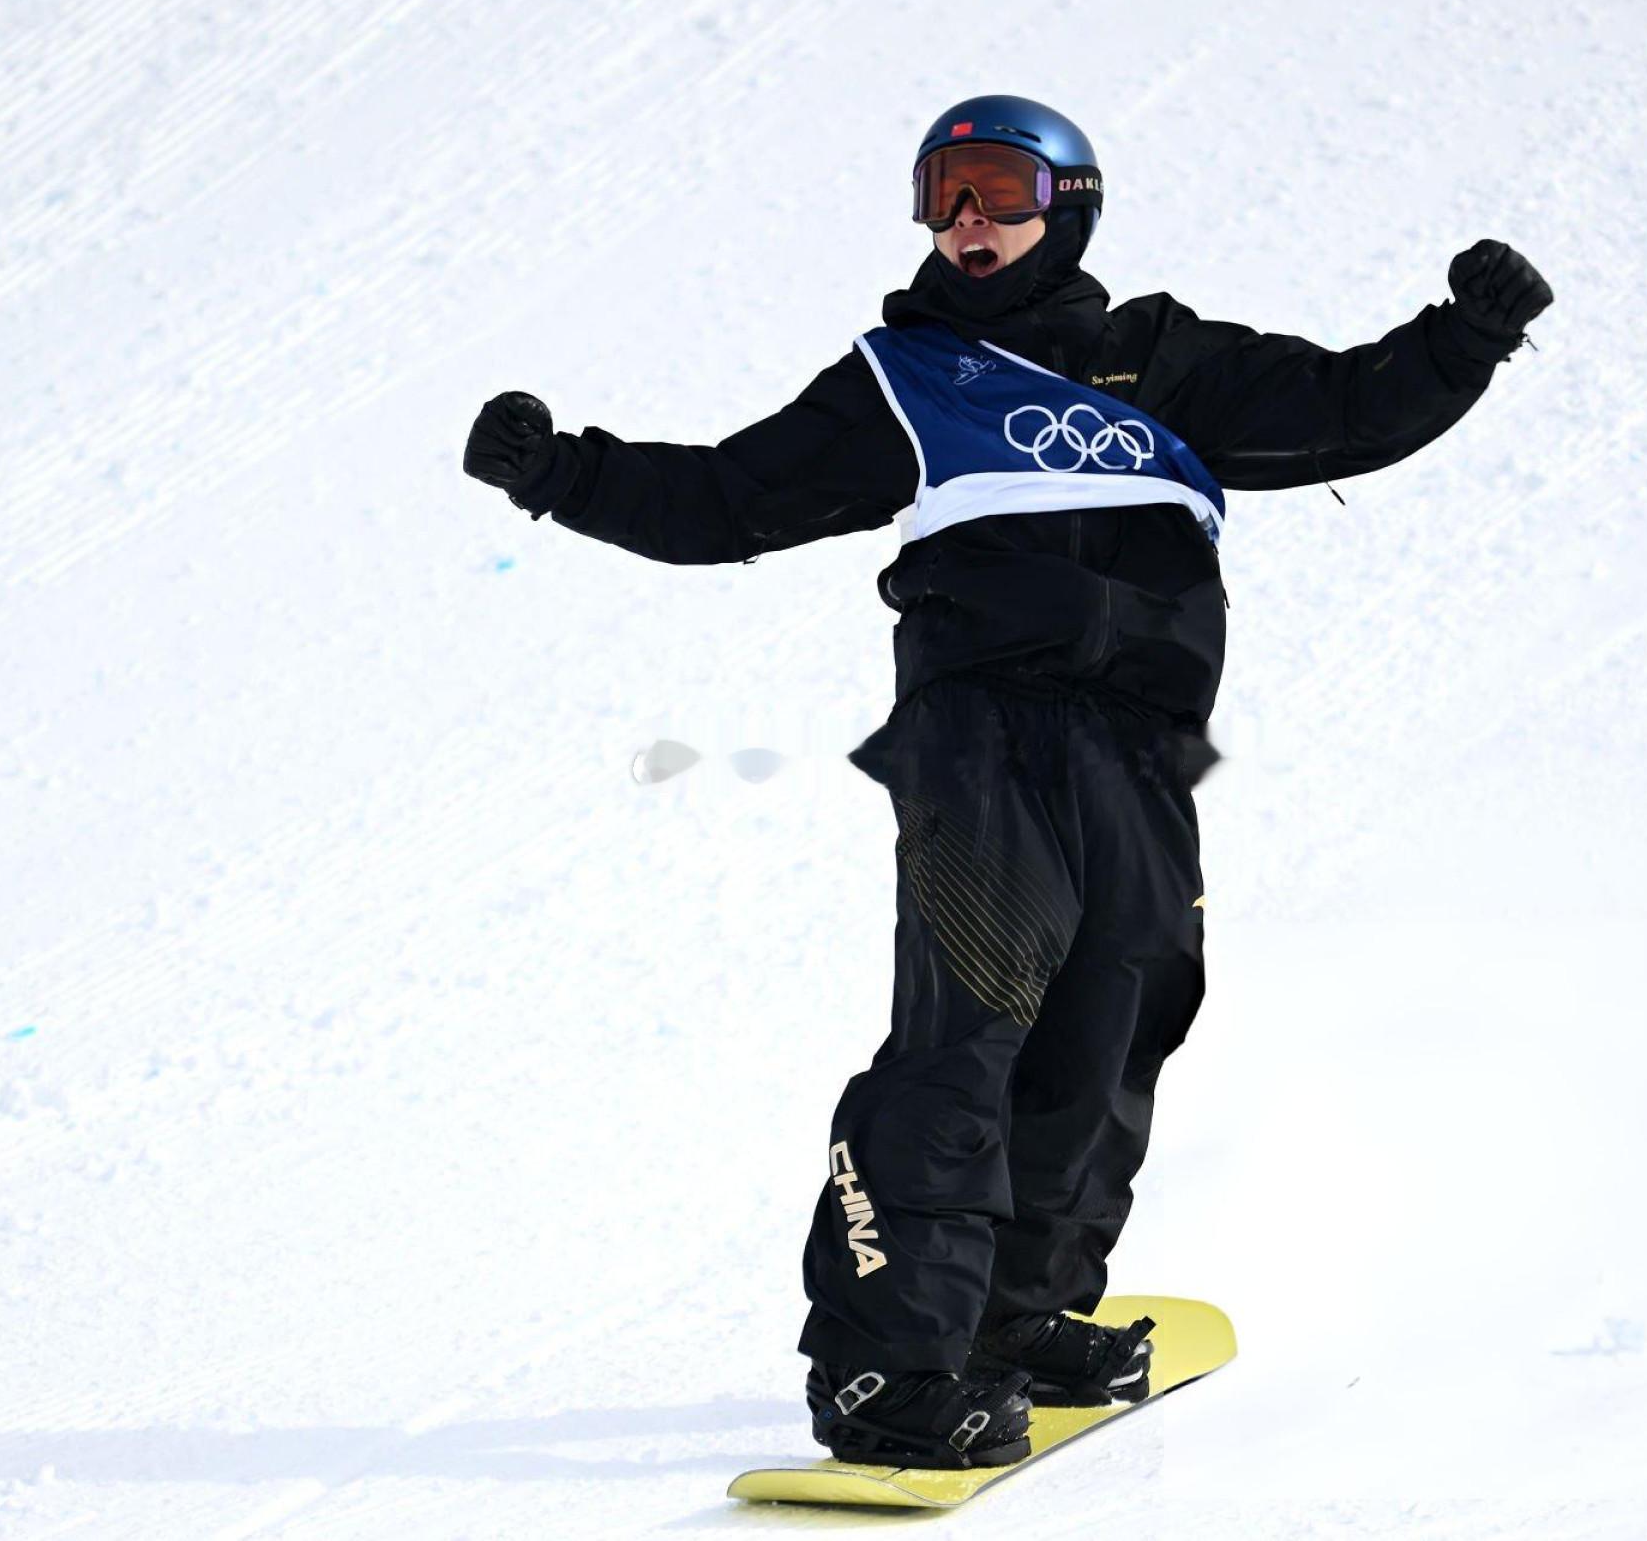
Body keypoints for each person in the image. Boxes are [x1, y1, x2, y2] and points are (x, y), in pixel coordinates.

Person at [463, 94, 1550, 1469]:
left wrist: (1462, 339)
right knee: (970, 1028)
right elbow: (726, 500)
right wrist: (562, 473)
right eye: (943, 195)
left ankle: (1011, 1316)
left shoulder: (1169, 365)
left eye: (996, 188)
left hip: (1141, 746)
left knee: (1117, 1018)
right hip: (981, 735)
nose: (966, 221)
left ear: (1068, 204)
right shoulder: (907, 378)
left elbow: (1346, 412)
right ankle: (884, 1370)